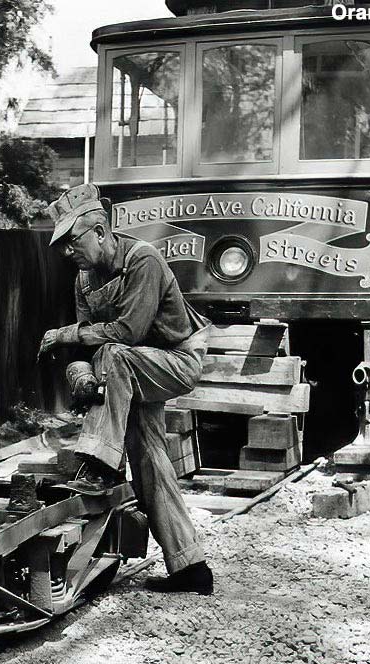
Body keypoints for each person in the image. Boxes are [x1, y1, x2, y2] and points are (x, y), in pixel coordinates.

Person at [37, 183, 215, 595]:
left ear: (100, 232)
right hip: (133, 373)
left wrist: (66, 335)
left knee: (116, 354)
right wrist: (80, 375)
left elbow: (126, 332)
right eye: (62, 245)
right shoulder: (83, 280)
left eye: (72, 241)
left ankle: (99, 465)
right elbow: (87, 343)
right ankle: (191, 568)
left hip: (174, 361)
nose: (68, 252)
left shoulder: (143, 260)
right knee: (149, 458)